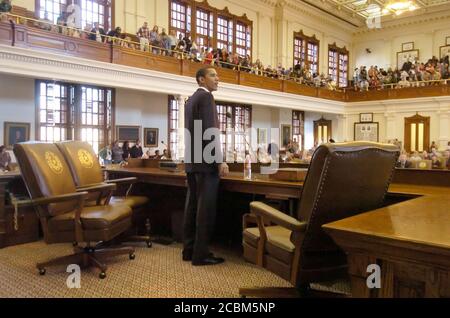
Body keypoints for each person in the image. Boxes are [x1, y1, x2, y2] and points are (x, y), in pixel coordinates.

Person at [183, 66, 229, 266]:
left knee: (192, 206)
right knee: (205, 210)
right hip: (206, 162)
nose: (217, 79)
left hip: (192, 161)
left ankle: (189, 250)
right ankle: (201, 255)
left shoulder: (190, 100)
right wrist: (219, 160)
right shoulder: (206, 98)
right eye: (213, 75)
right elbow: (210, 131)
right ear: (201, 79)